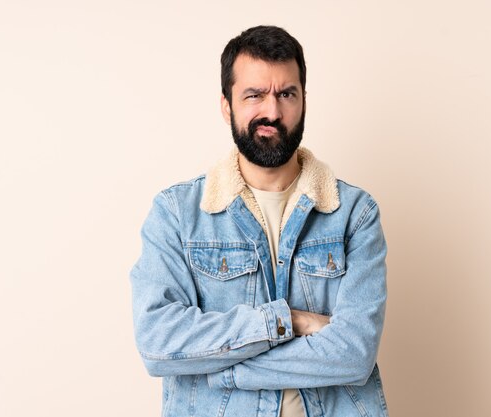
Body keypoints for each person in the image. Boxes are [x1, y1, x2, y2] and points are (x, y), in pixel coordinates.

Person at [130, 25, 389, 417]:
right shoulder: (178, 214)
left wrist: (226, 368)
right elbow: (158, 343)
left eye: (287, 94)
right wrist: (289, 321)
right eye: (254, 95)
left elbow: (354, 355)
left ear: (304, 101)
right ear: (226, 105)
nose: (272, 111)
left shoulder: (354, 213)